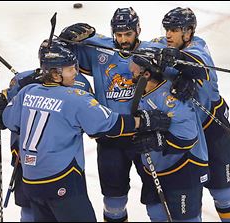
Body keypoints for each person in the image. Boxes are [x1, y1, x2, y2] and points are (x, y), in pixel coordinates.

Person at [0, 42, 171, 222]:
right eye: (69, 69)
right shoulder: (74, 98)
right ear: (55, 74)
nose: (76, 73)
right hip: (62, 180)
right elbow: (110, 124)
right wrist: (144, 121)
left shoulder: (27, 91)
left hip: (31, 181)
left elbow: (7, 121)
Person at [58, 7, 168, 221]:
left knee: (156, 200)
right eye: (118, 35)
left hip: (144, 137)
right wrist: (65, 39)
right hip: (110, 139)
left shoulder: (151, 51)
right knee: (113, 201)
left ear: (138, 30)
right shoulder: (99, 50)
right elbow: (60, 58)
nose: (123, 39)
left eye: (128, 34)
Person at [151, 7, 230, 222]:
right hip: (186, 131)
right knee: (189, 202)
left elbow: (198, 66)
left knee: (224, 193)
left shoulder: (198, 46)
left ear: (189, 31)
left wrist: (179, 63)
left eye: (175, 29)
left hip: (213, 127)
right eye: (167, 29)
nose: (169, 34)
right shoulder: (162, 44)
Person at [0, 40, 94, 222]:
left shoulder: (79, 82)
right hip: (25, 162)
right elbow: (4, 110)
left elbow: (89, 117)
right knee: (29, 212)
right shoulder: (23, 81)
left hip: (60, 163)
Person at [128, 48, 209, 221]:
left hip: (184, 168)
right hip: (155, 168)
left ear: (147, 74)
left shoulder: (170, 100)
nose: (130, 69)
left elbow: (187, 137)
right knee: (156, 213)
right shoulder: (141, 89)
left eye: (135, 67)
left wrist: (157, 140)